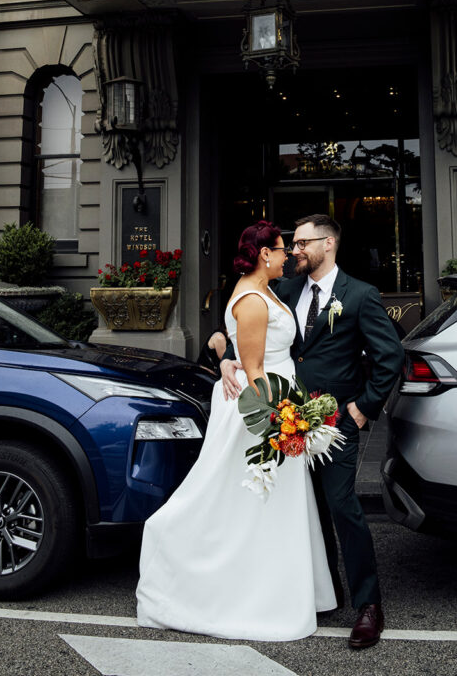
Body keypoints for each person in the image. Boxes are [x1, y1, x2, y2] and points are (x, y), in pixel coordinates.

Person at [136, 221, 336, 640]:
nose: (288, 256)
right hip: (261, 410)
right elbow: (257, 368)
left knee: (265, 505)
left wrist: (224, 356)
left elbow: (235, 346)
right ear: (265, 254)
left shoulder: (260, 289)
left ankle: (277, 588)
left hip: (272, 399)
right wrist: (283, 419)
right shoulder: (253, 300)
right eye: (282, 250)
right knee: (245, 500)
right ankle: (237, 590)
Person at [221, 214, 405, 649]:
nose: (296, 249)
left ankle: (368, 606)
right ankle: (325, 594)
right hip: (282, 420)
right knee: (305, 508)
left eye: (303, 242)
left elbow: (389, 357)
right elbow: (249, 327)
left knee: (342, 506)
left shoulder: (360, 295)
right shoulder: (283, 288)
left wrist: (362, 409)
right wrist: (226, 355)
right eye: (293, 243)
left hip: (335, 422)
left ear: (328, 244)